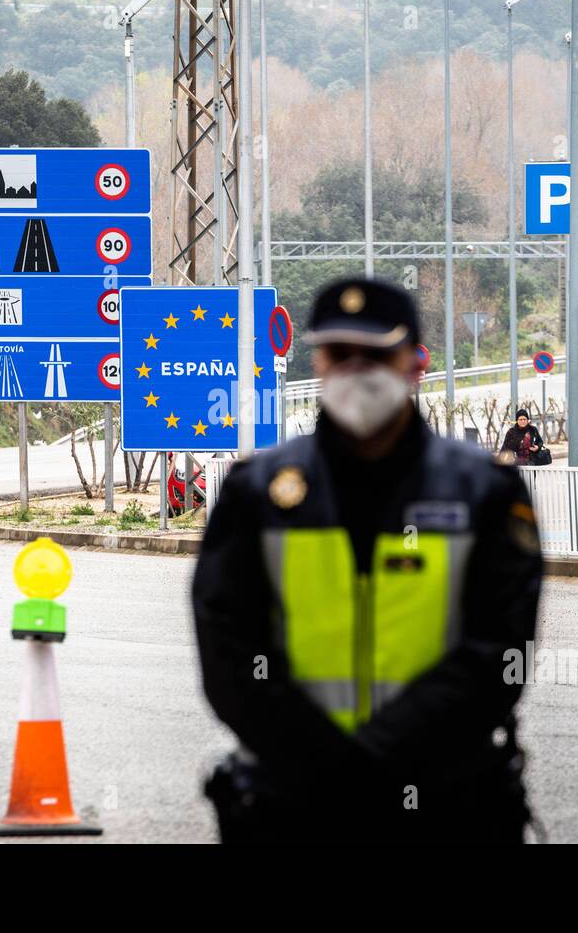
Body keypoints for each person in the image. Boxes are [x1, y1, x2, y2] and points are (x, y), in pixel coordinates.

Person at [192, 276, 543, 844]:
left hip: (443, 801)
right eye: (339, 353)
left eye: (377, 353)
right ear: (319, 361)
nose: (357, 369)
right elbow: (229, 649)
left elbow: (500, 651)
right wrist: (321, 755)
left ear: (415, 361)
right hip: (293, 802)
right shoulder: (255, 493)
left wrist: (374, 755)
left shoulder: (482, 492)